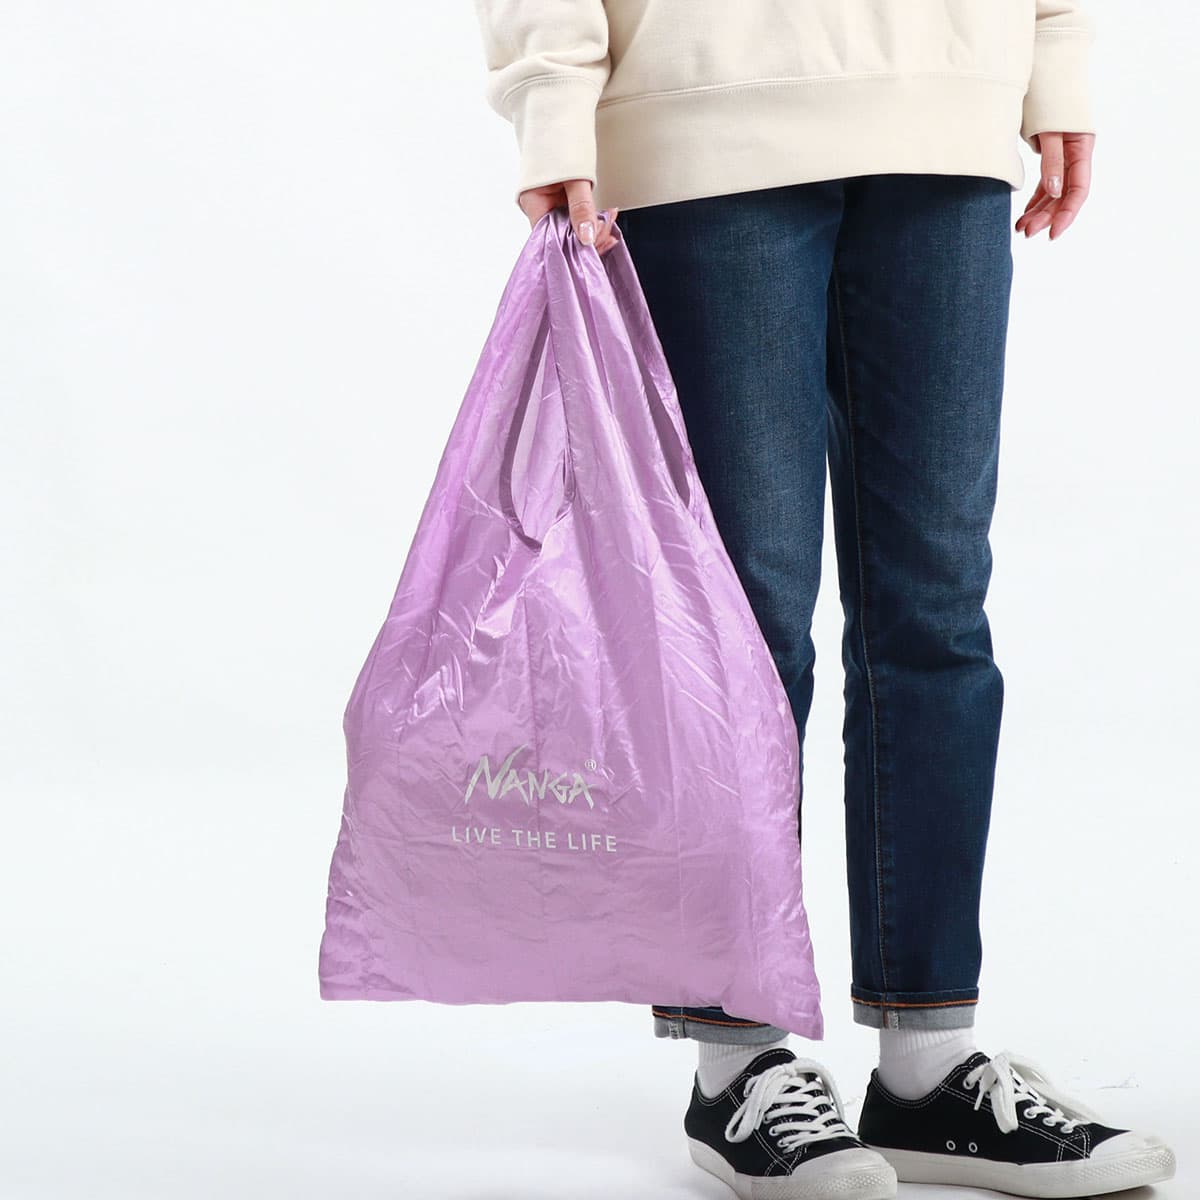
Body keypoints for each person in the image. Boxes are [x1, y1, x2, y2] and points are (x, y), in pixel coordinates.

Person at [470, 4, 1177, 1199]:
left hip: (949, 108)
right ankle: (734, 1069)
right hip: (707, 116)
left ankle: (928, 1069)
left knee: (937, 611)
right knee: (744, 623)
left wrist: (1053, 51)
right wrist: (551, 96)